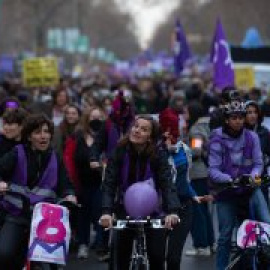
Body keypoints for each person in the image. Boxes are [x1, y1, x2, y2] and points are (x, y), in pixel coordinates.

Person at [99, 115, 180, 270]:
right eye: (136, 126)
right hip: (125, 209)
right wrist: (106, 212)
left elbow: (167, 183)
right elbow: (109, 184)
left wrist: (173, 211)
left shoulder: (159, 154)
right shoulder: (119, 152)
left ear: (150, 137)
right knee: (118, 259)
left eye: (144, 129)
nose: (137, 131)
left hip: (154, 211)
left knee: (157, 257)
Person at [0, 114, 76, 270]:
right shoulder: (17, 152)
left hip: (46, 219)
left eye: (46, 131)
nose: (43, 136)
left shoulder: (56, 157)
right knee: (4, 254)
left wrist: (70, 194)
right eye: (37, 132)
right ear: (29, 136)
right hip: (16, 215)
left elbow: (65, 182)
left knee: (51, 264)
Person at [208, 100, 270, 270]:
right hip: (226, 191)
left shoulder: (252, 136)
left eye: (241, 117)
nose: (238, 121)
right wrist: (230, 179)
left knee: (265, 224)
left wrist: (252, 176)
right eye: (234, 117)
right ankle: (221, 267)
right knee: (225, 235)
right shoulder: (217, 137)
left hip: (249, 189)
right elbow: (213, 169)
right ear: (226, 120)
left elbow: (258, 163)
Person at [159, 109, 206, 269]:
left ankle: (203, 245)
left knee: (174, 255)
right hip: (162, 205)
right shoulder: (157, 148)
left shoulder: (194, 133)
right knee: (156, 254)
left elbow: (196, 152)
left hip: (193, 183)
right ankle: (203, 245)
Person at [64, 106, 106, 260]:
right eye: (93, 117)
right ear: (87, 119)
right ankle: (83, 244)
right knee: (83, 214)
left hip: (100, 182)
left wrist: (102, 165)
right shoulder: (77, 136)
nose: (96, 120)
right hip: (81, 182)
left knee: (99, 212)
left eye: (99, 117)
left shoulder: (106, 137)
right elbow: (69, 158)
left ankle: (101, 245)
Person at [186, 102, 215, 256]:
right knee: (204, 210)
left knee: (198, 210)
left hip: (197, 174)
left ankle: (201, 245)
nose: (185, 115)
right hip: (205, 173)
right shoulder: (206, 126)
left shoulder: (196, 129)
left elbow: (196, 150)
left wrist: (182, 149)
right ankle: (210, 243)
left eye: (187, 112)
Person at [245, 100, 270, 204]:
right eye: (249, 112)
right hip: (244, 178)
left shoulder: (264, 132)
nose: (253, 115)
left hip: (261, 178)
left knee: (264, 215)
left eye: (255, 112)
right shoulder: (239, 132)